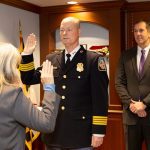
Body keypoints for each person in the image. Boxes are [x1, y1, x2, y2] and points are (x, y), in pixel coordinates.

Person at [20, 17, 109, 150]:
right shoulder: (52, 59)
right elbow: (28, 79)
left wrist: (98, 131)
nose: (64, 33)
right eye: (62, 30)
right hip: (54, 132)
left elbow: (100, 98)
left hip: (80, 134)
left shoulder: (93, 60)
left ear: (78, 31)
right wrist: (27, 54)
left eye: (69, 30)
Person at [0, 42, 60, 150]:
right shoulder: (12, 94)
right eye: (16, 65)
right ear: (10, 67)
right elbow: (46, 124)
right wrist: (49, 86)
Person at [115, 20, 150, 150]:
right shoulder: (125, 55)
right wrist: (132, 104)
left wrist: (145, 103)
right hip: (131, 117)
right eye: (135, 31)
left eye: (141, 30)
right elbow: (119, 83)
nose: (138, 34)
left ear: (149, 32)